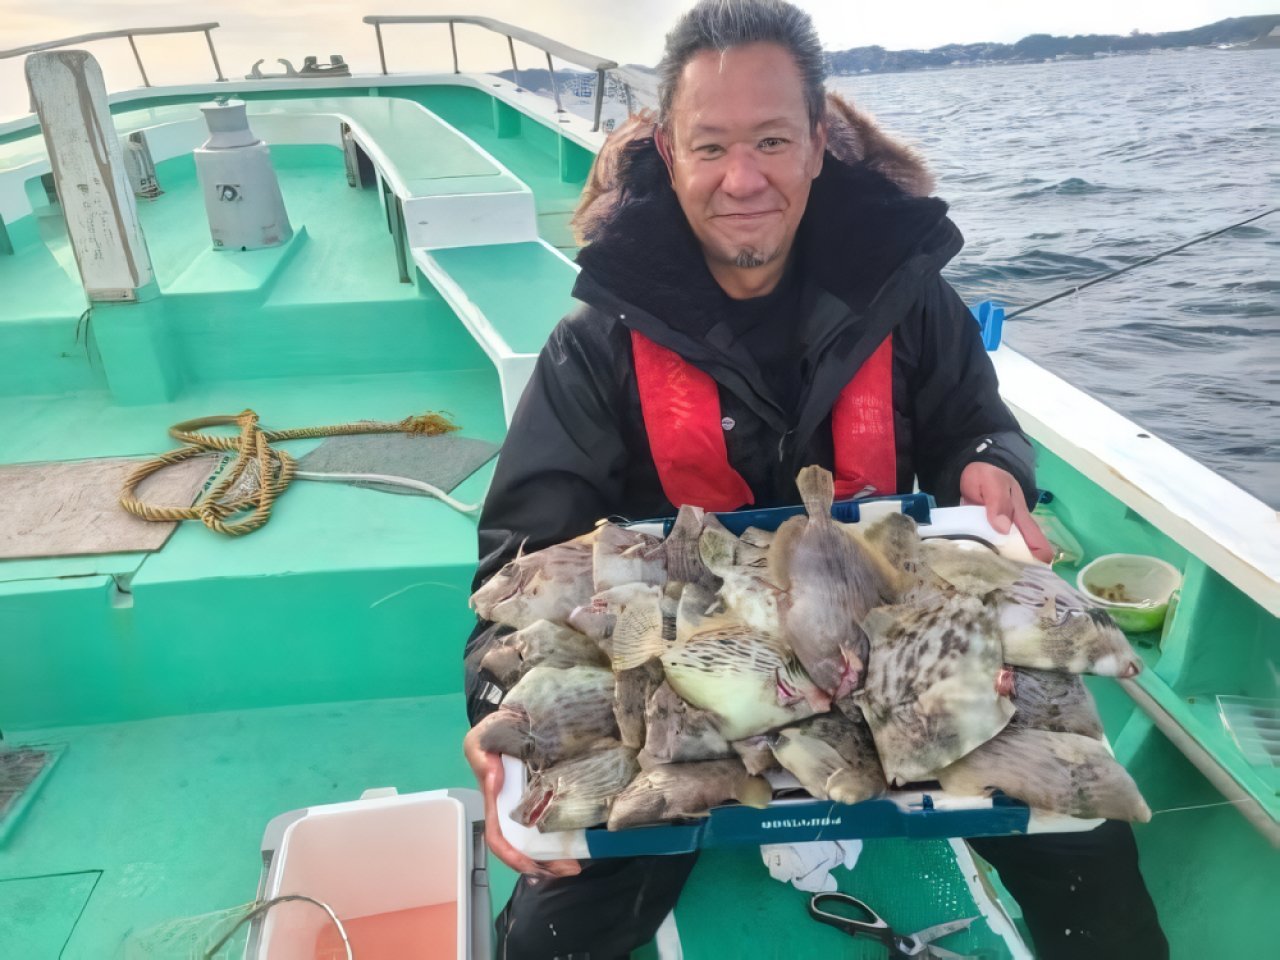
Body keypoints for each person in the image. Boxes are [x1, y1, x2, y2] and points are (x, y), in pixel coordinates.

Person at [463, 2, 1167, 957]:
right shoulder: (595, 344)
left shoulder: (910, 298)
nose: (742, 178)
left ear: (818, 144)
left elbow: (976, 421)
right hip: (690, 684)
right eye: (710, 146)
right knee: (552, 928)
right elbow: (521, 557)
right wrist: (498, 717)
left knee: (1091, 856)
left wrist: (994, 466)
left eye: (772, 141)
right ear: (669, 153)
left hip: (892, 655)